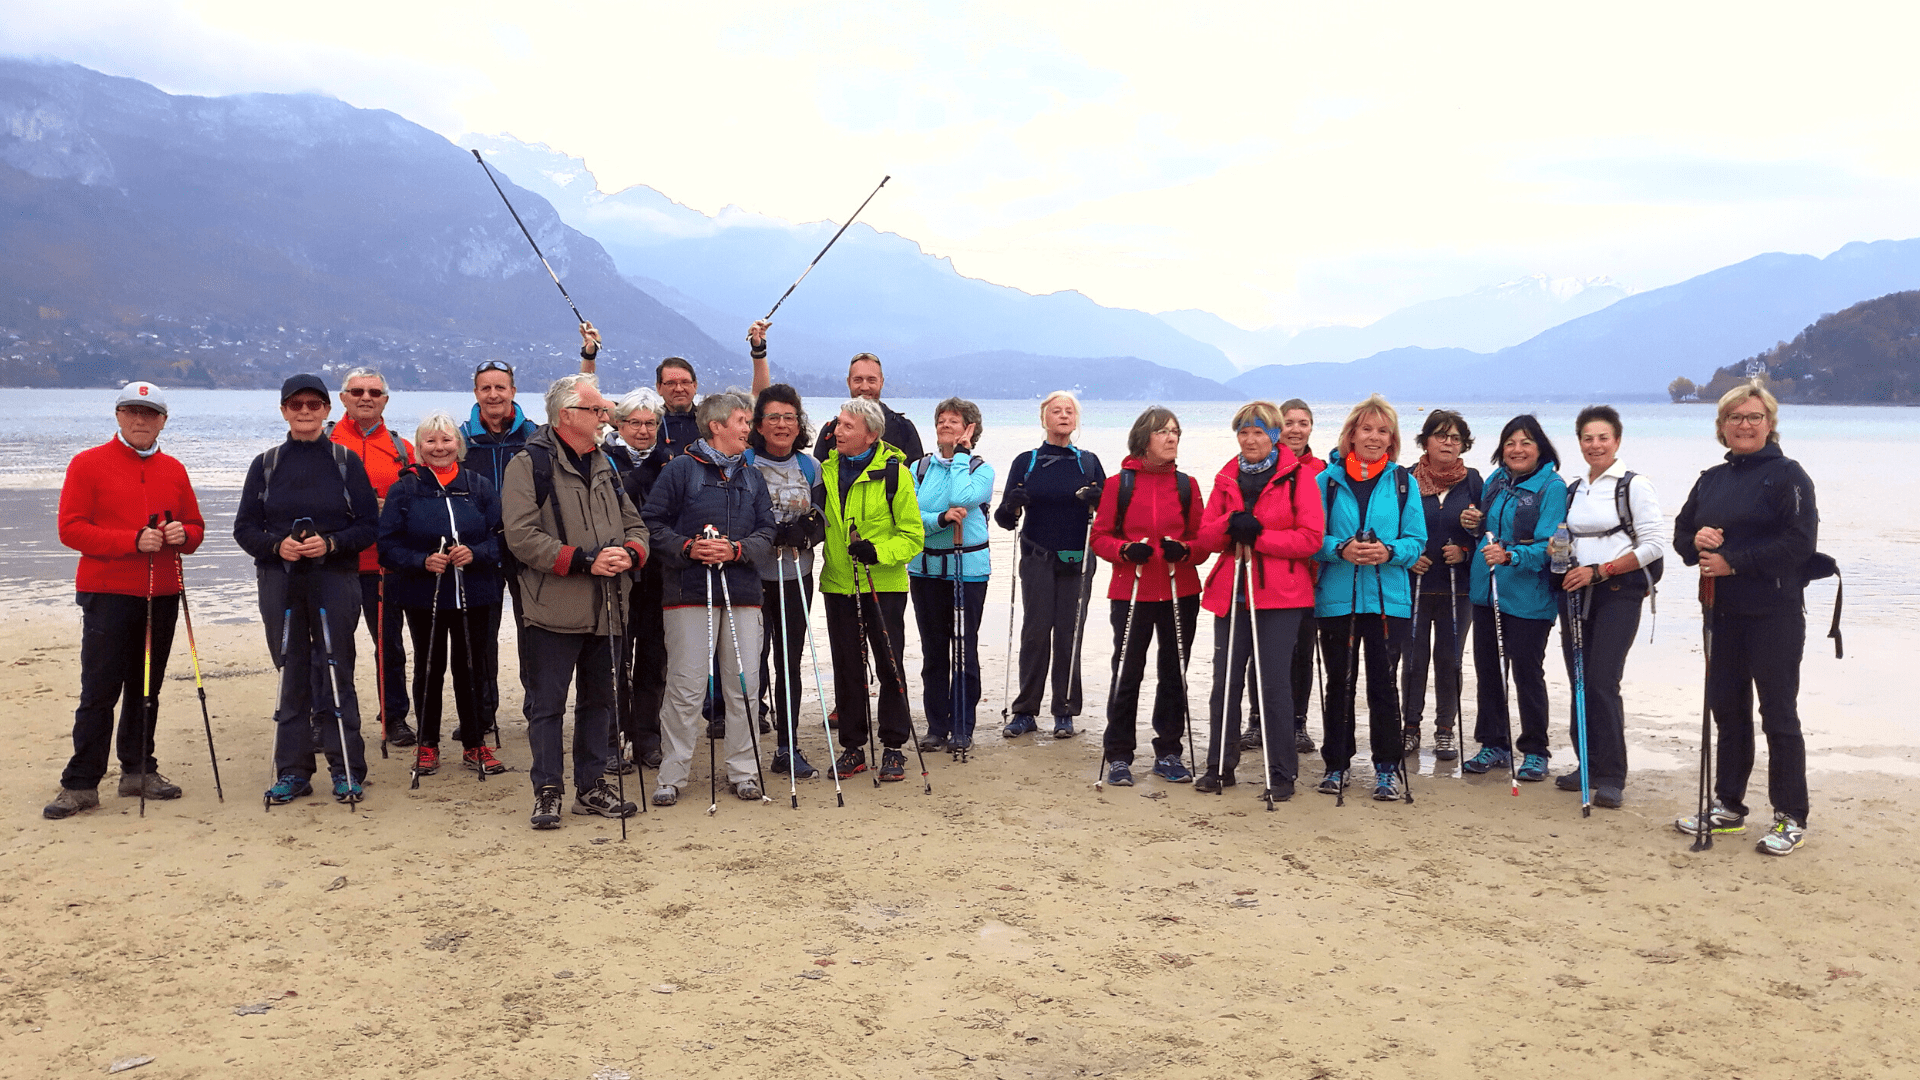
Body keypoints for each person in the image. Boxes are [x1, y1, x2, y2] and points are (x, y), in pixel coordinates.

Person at [45, 383, 206, 819]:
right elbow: (71, 529)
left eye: (150, 414)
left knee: (146, 688)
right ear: (118, 415)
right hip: (107, 592)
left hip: (162, 594)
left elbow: (195, 527)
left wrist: (183, 535)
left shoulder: (173, 468)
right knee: (99, 690)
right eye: (133, 412)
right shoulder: (87, 463)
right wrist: (132, 540)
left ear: (163, 421)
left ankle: (138, 769)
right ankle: (80, 782)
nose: (141, 421)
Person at [1673, 383, 1817, 855]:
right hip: (1721, 612)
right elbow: (1680, 534)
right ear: (1722, 427)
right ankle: (1729, 806)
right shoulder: (1712, 478)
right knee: (1727, 712)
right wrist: (1697, 541)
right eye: (1735, 417)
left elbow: (1800, 545)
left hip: (1774, 612)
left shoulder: (1790, 476)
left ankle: (1791, 815)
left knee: (1778, 714)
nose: (1745, 425)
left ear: (1770, 423)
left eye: (1754, 416)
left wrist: (1734, 562)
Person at [501, 374, 647, 829]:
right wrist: (584, 562)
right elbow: (520, 537)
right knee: (546, 705)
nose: (607, 418)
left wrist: (630, 553)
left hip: (608, 606)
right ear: (568, 415)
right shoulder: (528, 464)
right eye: (599, 411)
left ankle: (590, 786)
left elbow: (636, 526)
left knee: (599, 702)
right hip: (552, 609)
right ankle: (547, 790)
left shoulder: (605, 463)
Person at [235, 374, 381, 805]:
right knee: (292, 673)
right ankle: (294, 771)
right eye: (295, 404)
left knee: (337, 670)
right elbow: (244, 528)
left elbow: (369, 526)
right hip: (280, 581)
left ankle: (347, 769)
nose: (304, 411)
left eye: (313, 405)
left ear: (326, 411)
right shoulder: (267, 463)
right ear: (283, 410)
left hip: (334, 579)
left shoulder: (344, 461)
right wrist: (276, 546)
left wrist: (331, 543)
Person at [641, 391, 777, 806]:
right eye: (741, 420)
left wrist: (736, 550)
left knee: (743, 686)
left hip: (743, 594)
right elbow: (651, 524)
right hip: (689, 593)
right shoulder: (680, 470)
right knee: (685, 686)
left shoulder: (753, 477)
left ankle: (744, 771)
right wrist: (688, 548)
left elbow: (768, 533)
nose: (748, 428)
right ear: (716, 426)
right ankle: (672, 774)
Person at [1193, 402, 1324, 798]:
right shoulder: (1226, 477)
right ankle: (1220, 766)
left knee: (1273, 686)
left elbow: (1311, 538)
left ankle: (1281, 773)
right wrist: (1229, 526)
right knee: (1225, 684)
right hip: (1232, 591)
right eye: (1243, 432)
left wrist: (1260, 535)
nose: (1250, 440)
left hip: (1281, 595)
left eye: (1259, 432)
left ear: (1274, 437)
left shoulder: (1297, 477)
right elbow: (1205, 537)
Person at [377, 412, 508, 779]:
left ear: (459, 445)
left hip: (475, 593)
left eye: (446, 440)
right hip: (424, 595)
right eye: (430, 441)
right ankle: (428, 745)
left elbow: (502, 538)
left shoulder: (478, 486)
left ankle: (474, 743)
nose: (439, 447)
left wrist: (476, 553)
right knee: (429, 668)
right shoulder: (405, 488)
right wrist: (421, 561)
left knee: (472, 667)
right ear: (418, 449)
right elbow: (387, 547)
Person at [1551, 405, 1667, 809]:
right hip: (1576, 591)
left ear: (1617, 441)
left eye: (1603, 437)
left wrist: (1601, 571)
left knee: (1602, 680)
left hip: (1619, 592)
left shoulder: (1634, 485)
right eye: (1587, 438)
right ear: (1579, 442)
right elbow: (1566, 537)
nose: (1595, 445)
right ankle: (1587, 765)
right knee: (1580, 680)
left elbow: (1653, 545)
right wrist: (1559, 553)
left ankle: (1612, 776)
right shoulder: (1574, 487)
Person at [1312, 395, 1427, 801]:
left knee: (1384, 684)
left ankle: (1386, 768)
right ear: (1351, 435)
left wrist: (1390, 552)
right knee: (1339, 684)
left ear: (1392, 439)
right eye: (1367, 429)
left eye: (1383, 431)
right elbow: (1310, 539)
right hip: (1337, 599)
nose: (1374, 437)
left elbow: (1416, 541)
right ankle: (1336, 765)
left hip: (1386, 600)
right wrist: (1338, 548)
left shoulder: (1402, 482)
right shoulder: (1325, 482)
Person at [1089, 406, 1203, 787]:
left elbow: (1203, 542)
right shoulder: (1116, 485)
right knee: (1126, 672)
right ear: (1144, 439)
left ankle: (1169, 751)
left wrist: (1184, 551)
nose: (1171, 438)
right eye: (1162, 432)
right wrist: (1124, 551)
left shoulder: (1187, 485)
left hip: (1178, 588)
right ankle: (1119, 754)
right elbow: (1100, 537)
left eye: (1175, 432)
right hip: (1132, 589)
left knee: (1174, 673)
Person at [819, 396, 925, 781]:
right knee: (847, 666)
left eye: (847, 426)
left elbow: (914, 536)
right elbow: (818, 520)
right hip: (838, 582)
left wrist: (878, 551)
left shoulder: (895, 472)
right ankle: (853, 748)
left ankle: (894, 747)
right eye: (837, 423)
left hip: (884, 583)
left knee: (889, 663)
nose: (837, 431)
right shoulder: (826, 469)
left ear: (870, 434)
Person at [1461, 415, 1569, 784]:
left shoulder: (1552, 487)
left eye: (1525, 442)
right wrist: (1471, 522)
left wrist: (1512, 556)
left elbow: (1552, 545)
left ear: (1540, 447)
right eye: (1510, 443)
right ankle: (1494, 743)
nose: (1517, 450)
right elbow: (1486, 530)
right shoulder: (1496, 481)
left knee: (1526, 673)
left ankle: (1536, 750)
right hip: (1487, 592)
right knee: (1488, 671)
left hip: (1529, 597)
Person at [994, 391, 1106, 739]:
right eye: (1056, 411)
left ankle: (1065, 711)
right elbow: (1003, 519)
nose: (1063, 416)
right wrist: (1013, 504)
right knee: (1035, 633)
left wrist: (1098, 499)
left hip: (1078, 560)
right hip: (1037, 556)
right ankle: (1025, 711)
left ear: (1076, 420)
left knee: (1070, 635)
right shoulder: (1026, 461)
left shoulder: (1087, 462)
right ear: (1044, 419)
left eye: (1069, 411)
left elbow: (1110, 513)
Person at [328, 366, 417, 747]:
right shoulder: (324, 440)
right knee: (333, 647)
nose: (366, 398)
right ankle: (330, 718)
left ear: (385, 400)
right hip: (334, 563)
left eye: (374, 392)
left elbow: (419, 502)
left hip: (383, 565)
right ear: (343, 397)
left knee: (390, 646)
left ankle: (394, 717)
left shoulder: (402, 449)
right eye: (358, 391)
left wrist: (390, 510)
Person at [744, 383, 827, 779]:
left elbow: (825, 518)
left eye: (789, 417)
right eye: (773, 417)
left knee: (788, 661)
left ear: (799, 424)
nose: (782, 424)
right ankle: (743, 751)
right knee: (750, 661)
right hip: (750, 577)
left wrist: (808, 533)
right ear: (759, 424)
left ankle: (786, 747)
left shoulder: (811, 467)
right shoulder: (742, 462)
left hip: (795, 574)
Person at [461, 355, 542, 746]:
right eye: (485, 388)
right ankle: (482, 712)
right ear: (476, 393)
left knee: (534, 629)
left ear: (513, 391)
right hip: (480, 549)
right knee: (481, 633)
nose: (493, 394)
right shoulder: (461, 439)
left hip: (529, 546)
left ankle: (538, 710)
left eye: (500, 387)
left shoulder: (537, 436)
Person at [909, 398, 995, 751]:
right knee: (933, 651)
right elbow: (912, 515)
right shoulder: (919, 468)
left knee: (963, 649)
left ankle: (963, 726)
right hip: (925, 570)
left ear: (970, 430)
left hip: (967, 572)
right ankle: (936, 725)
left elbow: (963, 496)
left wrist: (961, 456)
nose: (946, 424)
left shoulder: (980, 470)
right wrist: (940, 520)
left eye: (955, 421)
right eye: (941, 419)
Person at [1401, 410, 1482, 762]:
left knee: (1449, 660)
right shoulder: (1403, 479)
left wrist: (1465, 550)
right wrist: (1406, 556)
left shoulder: (1475, 482)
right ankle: (1410, 727)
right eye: (1440, 435)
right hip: (1413, 584)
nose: (1447, 442)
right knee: (1413, 660)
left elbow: (1490, 534)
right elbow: (1389, 527)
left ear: (1463, 443)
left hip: (1457, 587)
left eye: (1455, 437)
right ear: (1425, 441)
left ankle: (1445, 730)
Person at [608, 388, 672, 771]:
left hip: (658, 575)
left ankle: (648, 736)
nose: (643, 430)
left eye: (650, 423)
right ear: (620, 424)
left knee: (652, 660)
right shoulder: (603, 460)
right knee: (614, 662)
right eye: (635, 422)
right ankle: (613, 735)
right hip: (617, 573)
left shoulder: (672, 462)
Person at [1274, 398, 1326, 756]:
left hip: (1311, 576)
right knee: (1265, 652)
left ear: (1311, 428)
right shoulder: (1266, 464)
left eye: (1302, 423)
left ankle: (1298, 722)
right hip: (1272, 575)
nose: (1295, 429)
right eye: (1289, 422)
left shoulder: (1322, 470)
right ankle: (1258, 720)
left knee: (1303, 652)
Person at [812, 353, 925, 463]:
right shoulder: (832, 432)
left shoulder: (904, 429)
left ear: (881, 382)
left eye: (871, 380)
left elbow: (916, 478)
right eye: (858, 380)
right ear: (848, 382)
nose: (864, 387)